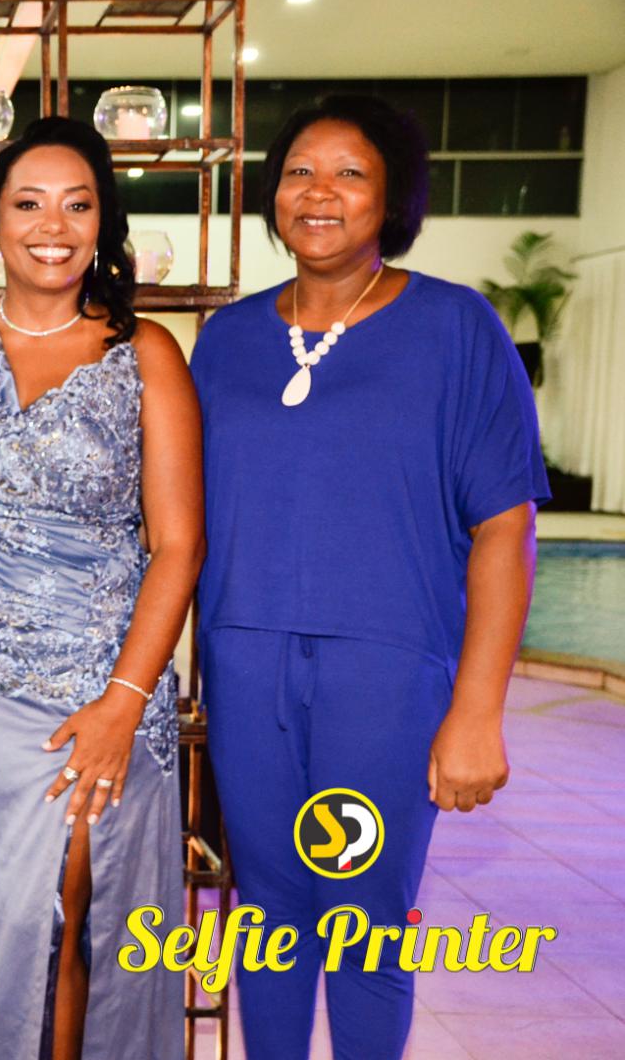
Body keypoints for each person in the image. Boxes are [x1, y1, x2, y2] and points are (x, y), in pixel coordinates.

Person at [189, 95, 548, 1059]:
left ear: (393, 198)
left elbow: (506, 527)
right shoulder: (228, 339)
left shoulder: (457, 329)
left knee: (365, 923)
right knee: (266, 917)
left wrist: (477, 710)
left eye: (350, 173)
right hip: (245, 664)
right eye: (299, 172)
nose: (320, 192)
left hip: (385, 677)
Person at [0, 116, 203, 1060]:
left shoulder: (145, 352)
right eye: (28, 203)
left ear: (104, 221)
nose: (53, 226)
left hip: (101, 694)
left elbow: (179, 546)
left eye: (78, 204)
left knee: (74, 922)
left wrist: (122, 702)